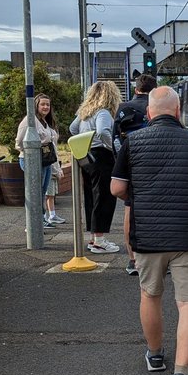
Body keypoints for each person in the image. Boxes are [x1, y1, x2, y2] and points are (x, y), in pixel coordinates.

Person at [110, 85, 188, 375]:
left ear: (149, 113)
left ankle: (156, 355)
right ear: (177, 111)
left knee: (150, 295)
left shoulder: (133, 142)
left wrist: (141, 198)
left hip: (148, 235)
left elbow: (117, 188)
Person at [70, 80, 122, 253]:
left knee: (91, 198)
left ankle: (93, 239)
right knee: (104, 198)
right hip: (102, 157)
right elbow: (102, 131)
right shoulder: (103, 112)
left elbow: (73, 129)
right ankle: (100, 240)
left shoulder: (85, 113)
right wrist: (113, 147)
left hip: (86, 157)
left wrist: (84, 142)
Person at [112, 73, 157, 275]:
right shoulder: (157, 106)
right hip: (156, 165)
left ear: (136, 89)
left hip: (131, 164)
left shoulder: (123, 108)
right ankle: (156, 257)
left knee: (130, 209)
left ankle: (132, 259)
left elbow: (114, 138)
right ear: (154, 90)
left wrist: (120, 163)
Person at [15, 94, 61, 232]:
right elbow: (19, 141)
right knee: (34, 192)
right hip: (32, 160)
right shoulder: (30, 120)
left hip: (46, 160)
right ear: (36, 105)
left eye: (48, 104)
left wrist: (56, 168)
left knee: (41, 192)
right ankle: (31, 224)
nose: (46, 107)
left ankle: (40, 220)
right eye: (42, 104)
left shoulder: (46, 121)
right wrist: (32, 150)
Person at [44, 159, 67, 225]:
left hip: (53, 174)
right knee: (47, 196)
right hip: (51, 174)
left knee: (51, 196)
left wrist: (59, 170)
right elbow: (50, 162)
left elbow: (56, 161)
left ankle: (52, 215)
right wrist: (57, 173)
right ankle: (45, 216)